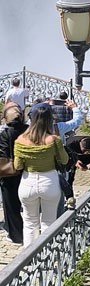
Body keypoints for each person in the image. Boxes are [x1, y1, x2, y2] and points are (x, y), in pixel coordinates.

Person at [13, 103, 69, 247]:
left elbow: (17, 166)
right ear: (50, 119)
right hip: (49, 181)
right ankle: (46, 257)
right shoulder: (54, 140)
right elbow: (64, 160)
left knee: (30, 223)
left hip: (28, 182)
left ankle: (28, 261)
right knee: (48, 222)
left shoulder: (20, 140)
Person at [0, 103, 25, 244]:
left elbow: (3, 153)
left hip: (9, 173)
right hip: (27, 171)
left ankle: (15, 234)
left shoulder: (5, 133)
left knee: (11, 205)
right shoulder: (28, 130)